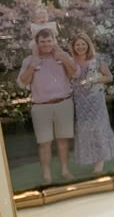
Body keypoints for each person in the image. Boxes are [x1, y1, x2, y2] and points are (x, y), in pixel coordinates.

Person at [18, 28, 77, 184]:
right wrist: (33, 65)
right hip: (41, 106)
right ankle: (47, 176)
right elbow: (23, 82)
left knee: (63, 140)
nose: (46, 44)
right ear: (37, 43)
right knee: (44, 143)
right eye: (43, 41)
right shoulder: (29, 60)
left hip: (64, 103)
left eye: (49, 41)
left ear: (54, 41)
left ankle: (65, 171)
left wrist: (64, 58)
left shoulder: (62, 56)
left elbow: (74, 74)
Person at [69, 32, 114, 175]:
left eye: (83, 44)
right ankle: (90, 157)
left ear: (88, 45)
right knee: (85, 129)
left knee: (98, 128)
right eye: (77, 44)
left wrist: (94, 80)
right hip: (80, 101)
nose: (80, 47)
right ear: (73, 47)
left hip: (95, 100)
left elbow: (109, 77)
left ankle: (100, 163)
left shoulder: (97, 59)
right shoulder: (71, 61)